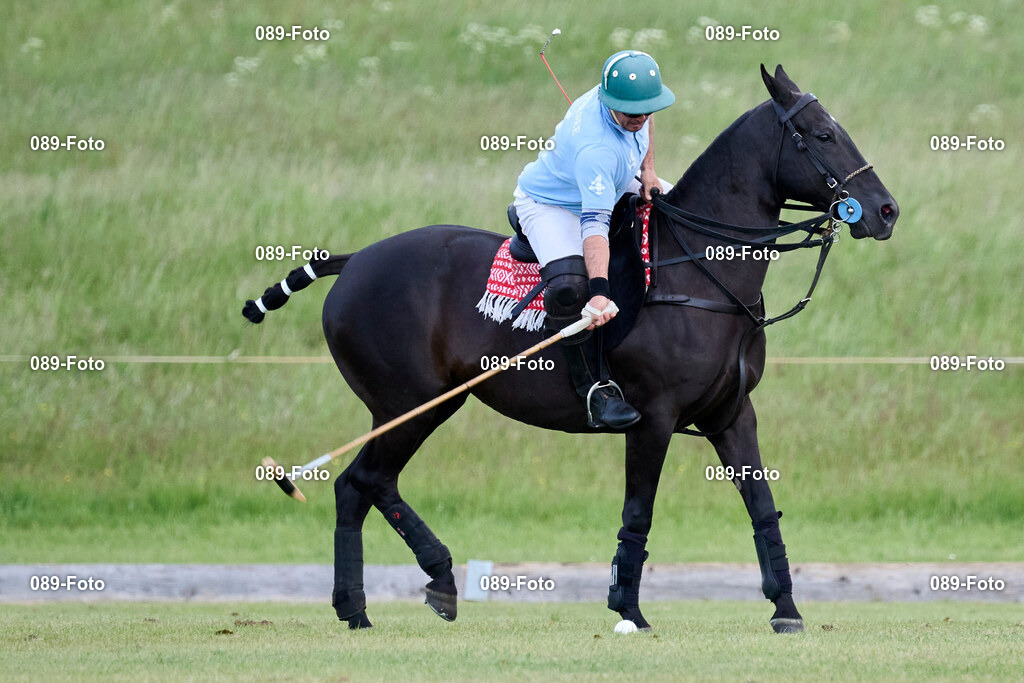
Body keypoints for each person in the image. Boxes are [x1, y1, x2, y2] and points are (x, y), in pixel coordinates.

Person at [513, 50, 675, 429]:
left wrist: (649, 172)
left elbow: (645, 122)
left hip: (610, 180)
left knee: (681, 212)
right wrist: (600, 292)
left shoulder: (631, 106)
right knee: (572, 288)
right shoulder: (596, 150)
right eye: (630, 113)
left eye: (646, 110)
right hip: (554, 205)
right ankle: (593, 390)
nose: (639, 119)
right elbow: (595, 225)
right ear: (610, 102)